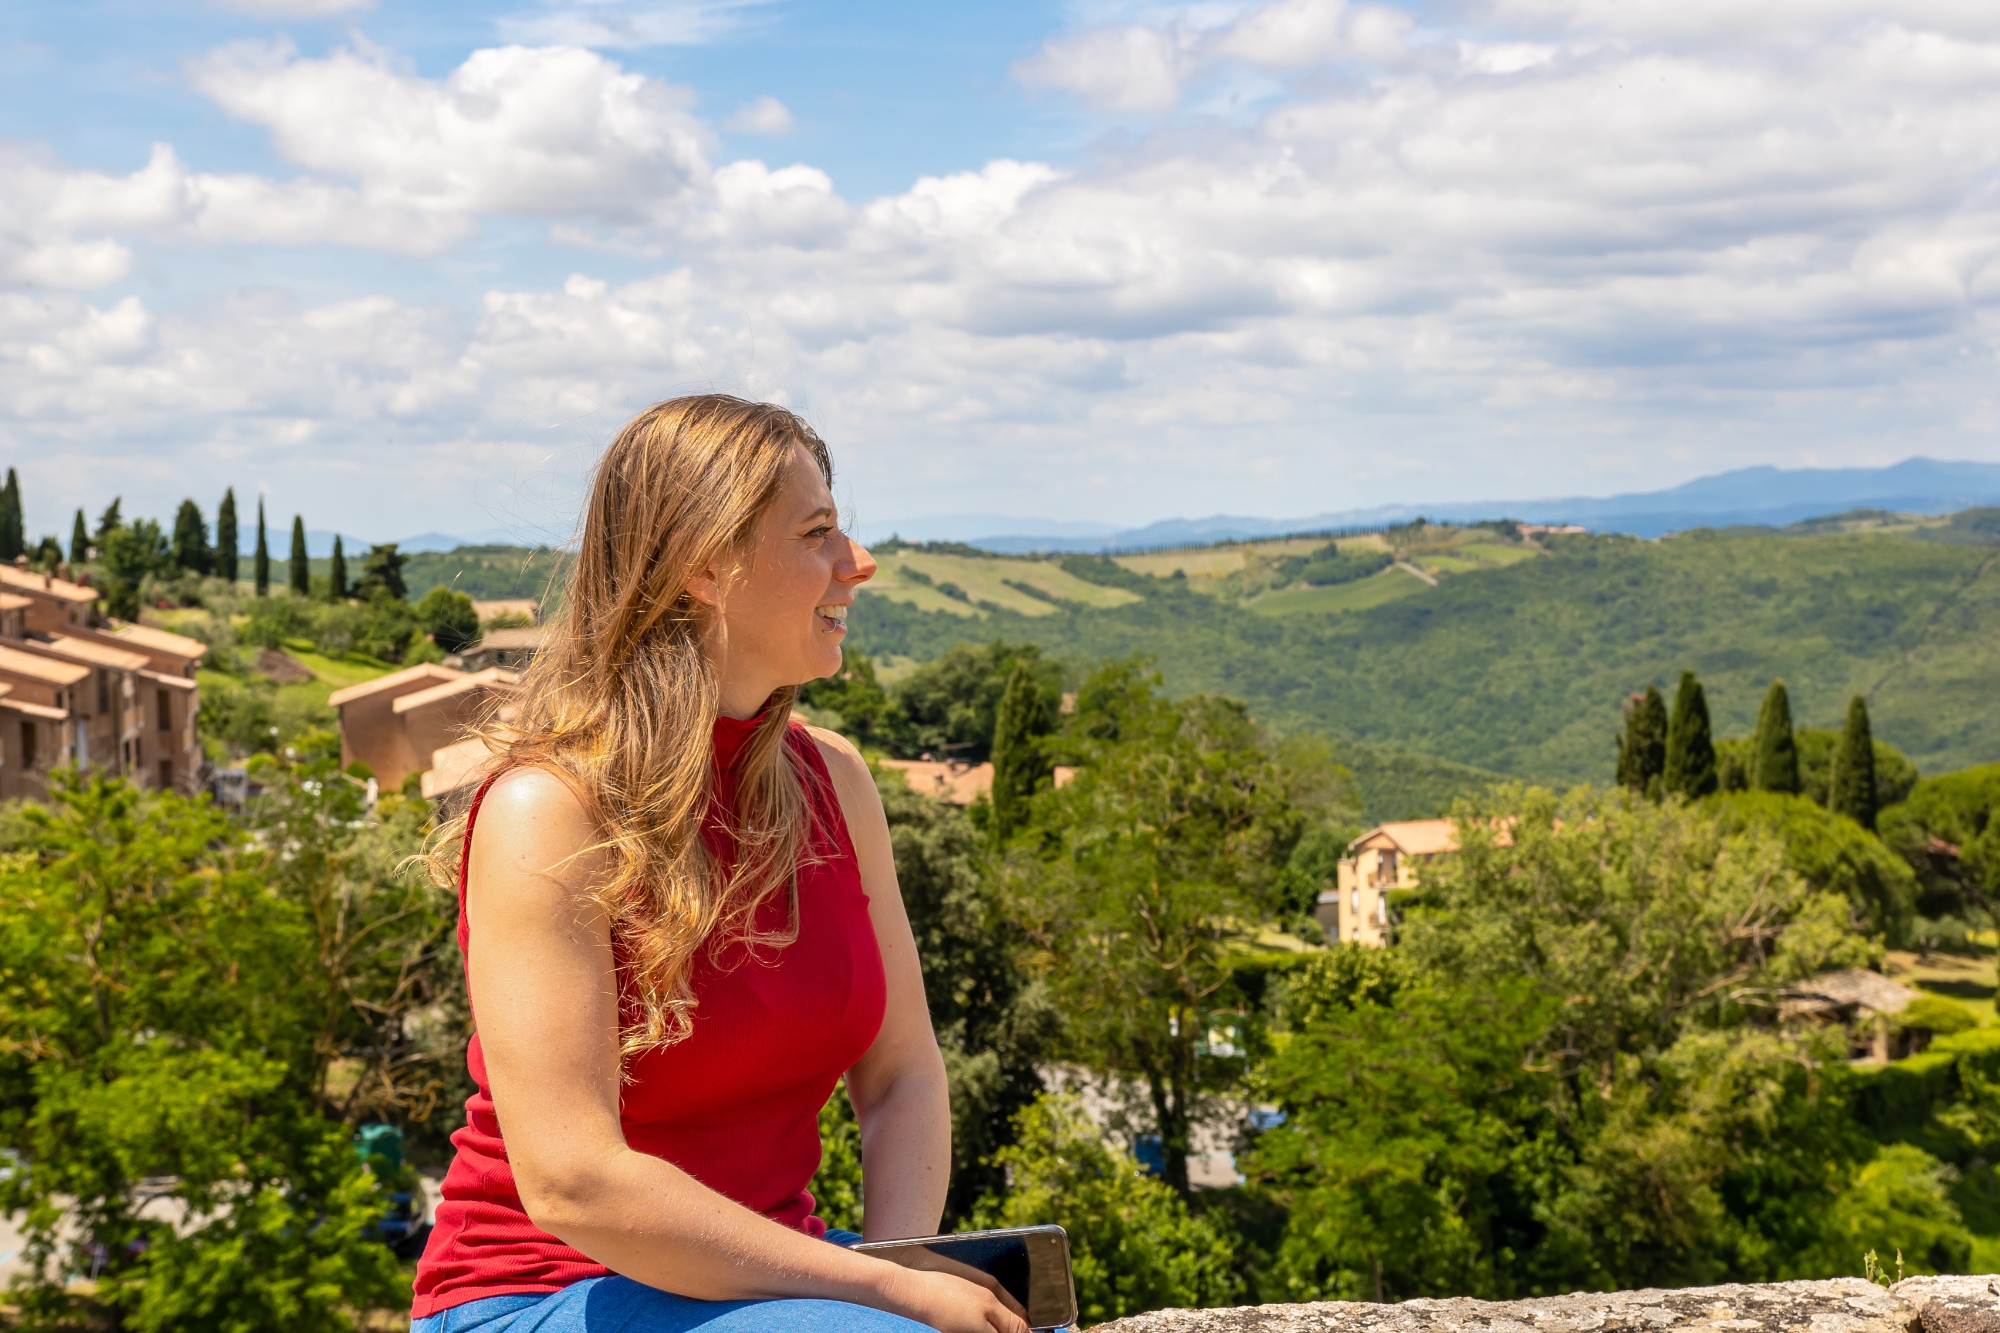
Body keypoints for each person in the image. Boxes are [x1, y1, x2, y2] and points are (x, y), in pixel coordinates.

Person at [410, 396, 1030, 1333]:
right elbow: (576, 1182)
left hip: (782, 1292)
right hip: (540, 1295)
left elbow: (904, 1073)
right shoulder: (549, 811)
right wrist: (889, 1294)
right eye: (817, 532)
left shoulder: (838, 783)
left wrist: (905, 1275)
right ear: (704, 563)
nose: (856, 563)